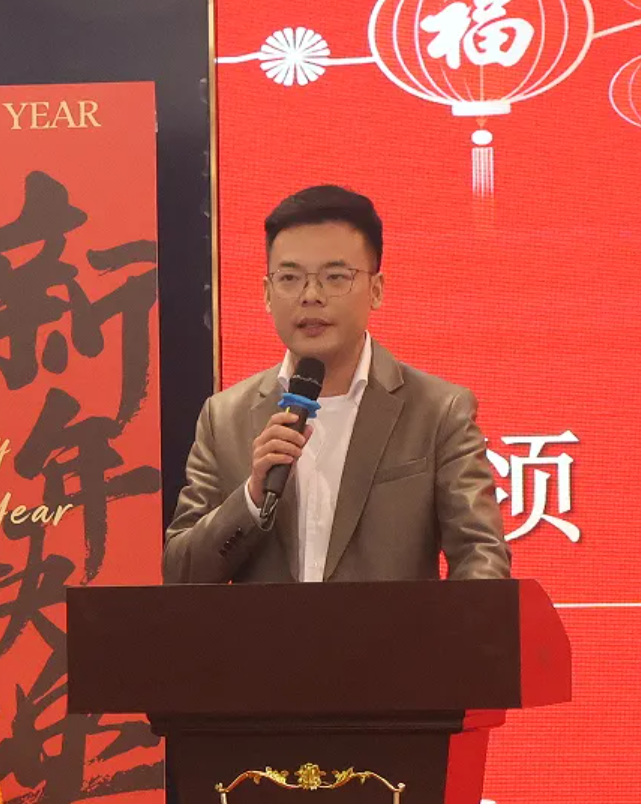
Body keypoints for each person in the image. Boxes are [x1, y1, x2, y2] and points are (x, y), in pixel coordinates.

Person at [163, 185, 509, 583]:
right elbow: (181, 572)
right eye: (290, 278)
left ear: (376, 290)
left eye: (335, 277)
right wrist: (251, 498)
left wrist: (452, 622)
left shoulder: (438, 411)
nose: (311, 295)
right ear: (267, 294)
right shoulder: (224, 418)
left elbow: (482, 556)